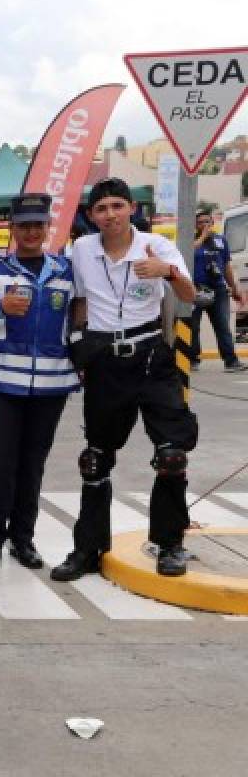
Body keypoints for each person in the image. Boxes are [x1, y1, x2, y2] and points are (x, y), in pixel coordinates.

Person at [51, 177, 199, 580]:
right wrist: (79, 347)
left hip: (151, 354)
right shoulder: (81, 249)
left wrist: (166, 271)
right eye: (101, 208)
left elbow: (188, 294)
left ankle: (170, 544)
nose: (110, 214)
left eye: (117, 205)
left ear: (131, 208)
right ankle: (88, 549)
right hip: (104, 359)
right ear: (91, 215)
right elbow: (80, 301)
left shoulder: (157, 247)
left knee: (171, 455)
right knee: (94, 459)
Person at [0, 194, 79, 571]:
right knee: (0, 465)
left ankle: (23, 540)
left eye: (37, 225)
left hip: (51, 386)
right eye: (23, 225)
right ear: (12, 228)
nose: (30, 232)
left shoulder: (66, 271)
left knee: (33, 465)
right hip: (1, 385)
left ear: (47, 228)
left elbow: (82, 317)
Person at [189, 210, 246, 372]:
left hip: (218, 288)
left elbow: (227, 265)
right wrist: (202, 237)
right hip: (196, 288)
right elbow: (187, 253)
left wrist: (234, 288)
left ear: (213, 223)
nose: (205, 225)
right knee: (193, 326)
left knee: (222, 325)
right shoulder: (191, 239)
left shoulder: (221, 241)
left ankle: (231, 361)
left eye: (207, 221)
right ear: (195, 225)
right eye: (200, 222)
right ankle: (193, 359)